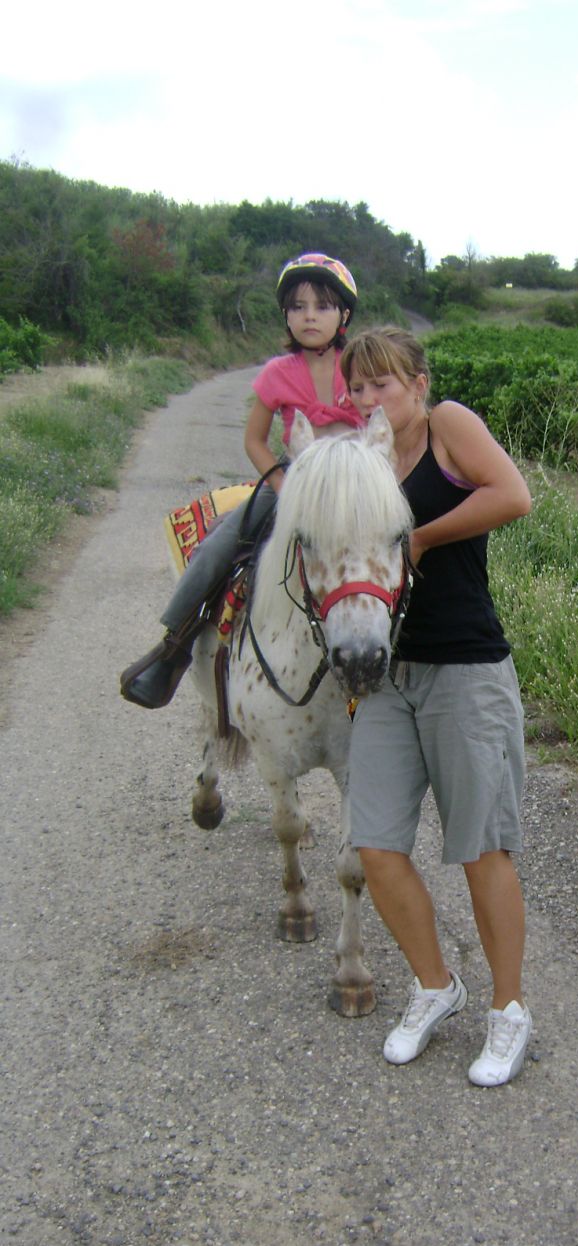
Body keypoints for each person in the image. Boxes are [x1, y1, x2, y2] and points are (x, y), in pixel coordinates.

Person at [341, 326, 534, 1087]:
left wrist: (417, 539)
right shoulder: (359, 458)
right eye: (357, 387)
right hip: (387, 673)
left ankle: (508, 1008)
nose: (369, 398)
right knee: (375, 843)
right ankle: (434, 985)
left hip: (465, 669)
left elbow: (512, 496)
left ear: (419, 384)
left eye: (382, 383)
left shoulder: (448, 426)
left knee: (481, 848)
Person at [120, 252, 364, 709]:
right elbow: (255, 441)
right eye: (298, 307)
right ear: (286, 316)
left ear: (344, 315)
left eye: (322, 306)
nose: (309, 316)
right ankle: (173, 647)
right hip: (293, 480)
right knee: (220, 544)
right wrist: (283, 486)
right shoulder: (277, 373)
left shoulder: (360, 366)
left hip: (357, 483)